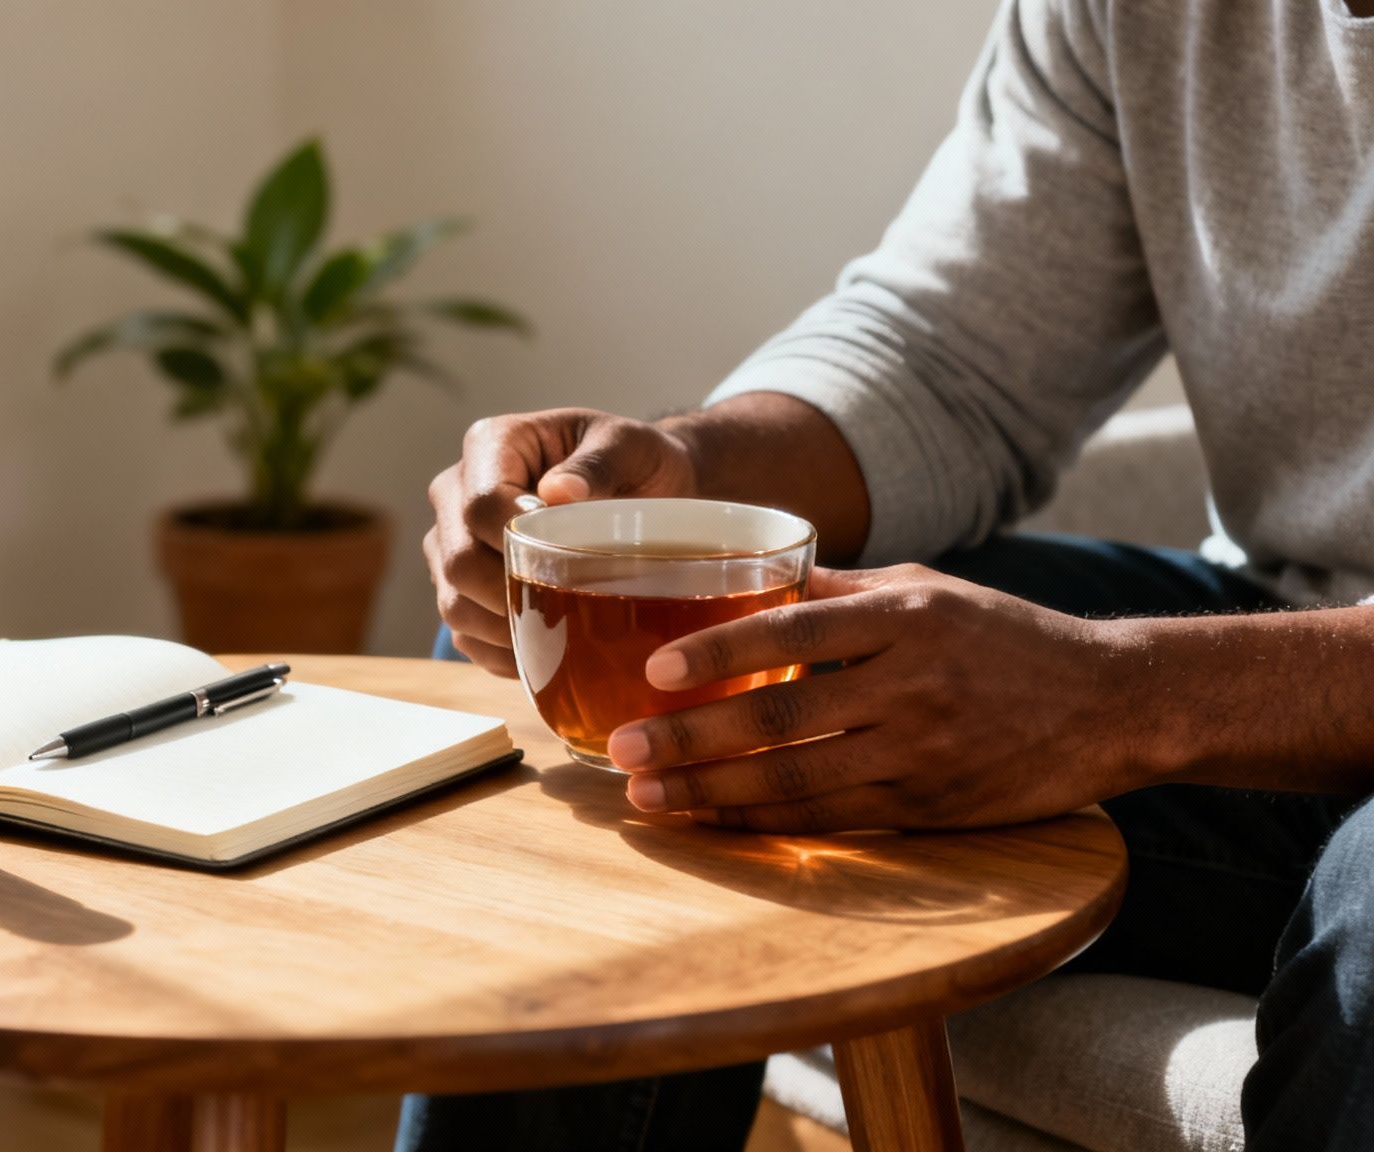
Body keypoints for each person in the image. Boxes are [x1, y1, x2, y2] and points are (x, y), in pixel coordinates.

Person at [409, 1, 1374, 1149]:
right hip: (1290, 625)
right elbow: (949, 355)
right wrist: (681, 480)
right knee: (643, 679)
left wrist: (1120, 696)